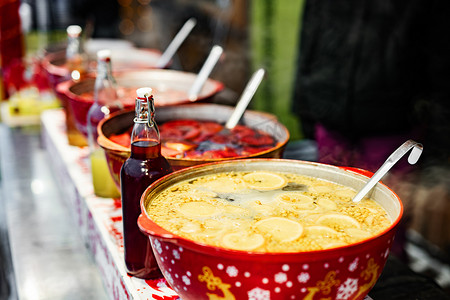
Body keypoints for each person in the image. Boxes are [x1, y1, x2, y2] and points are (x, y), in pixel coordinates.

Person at [292, 0, 450, 261]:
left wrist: (439, 150)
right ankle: (325, 269)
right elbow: (309, 36)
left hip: (392, 126)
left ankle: (384, 272)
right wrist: (305, 105)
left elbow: (444, 68)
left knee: (383, 221)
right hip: (329, 114)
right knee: (325, 206)